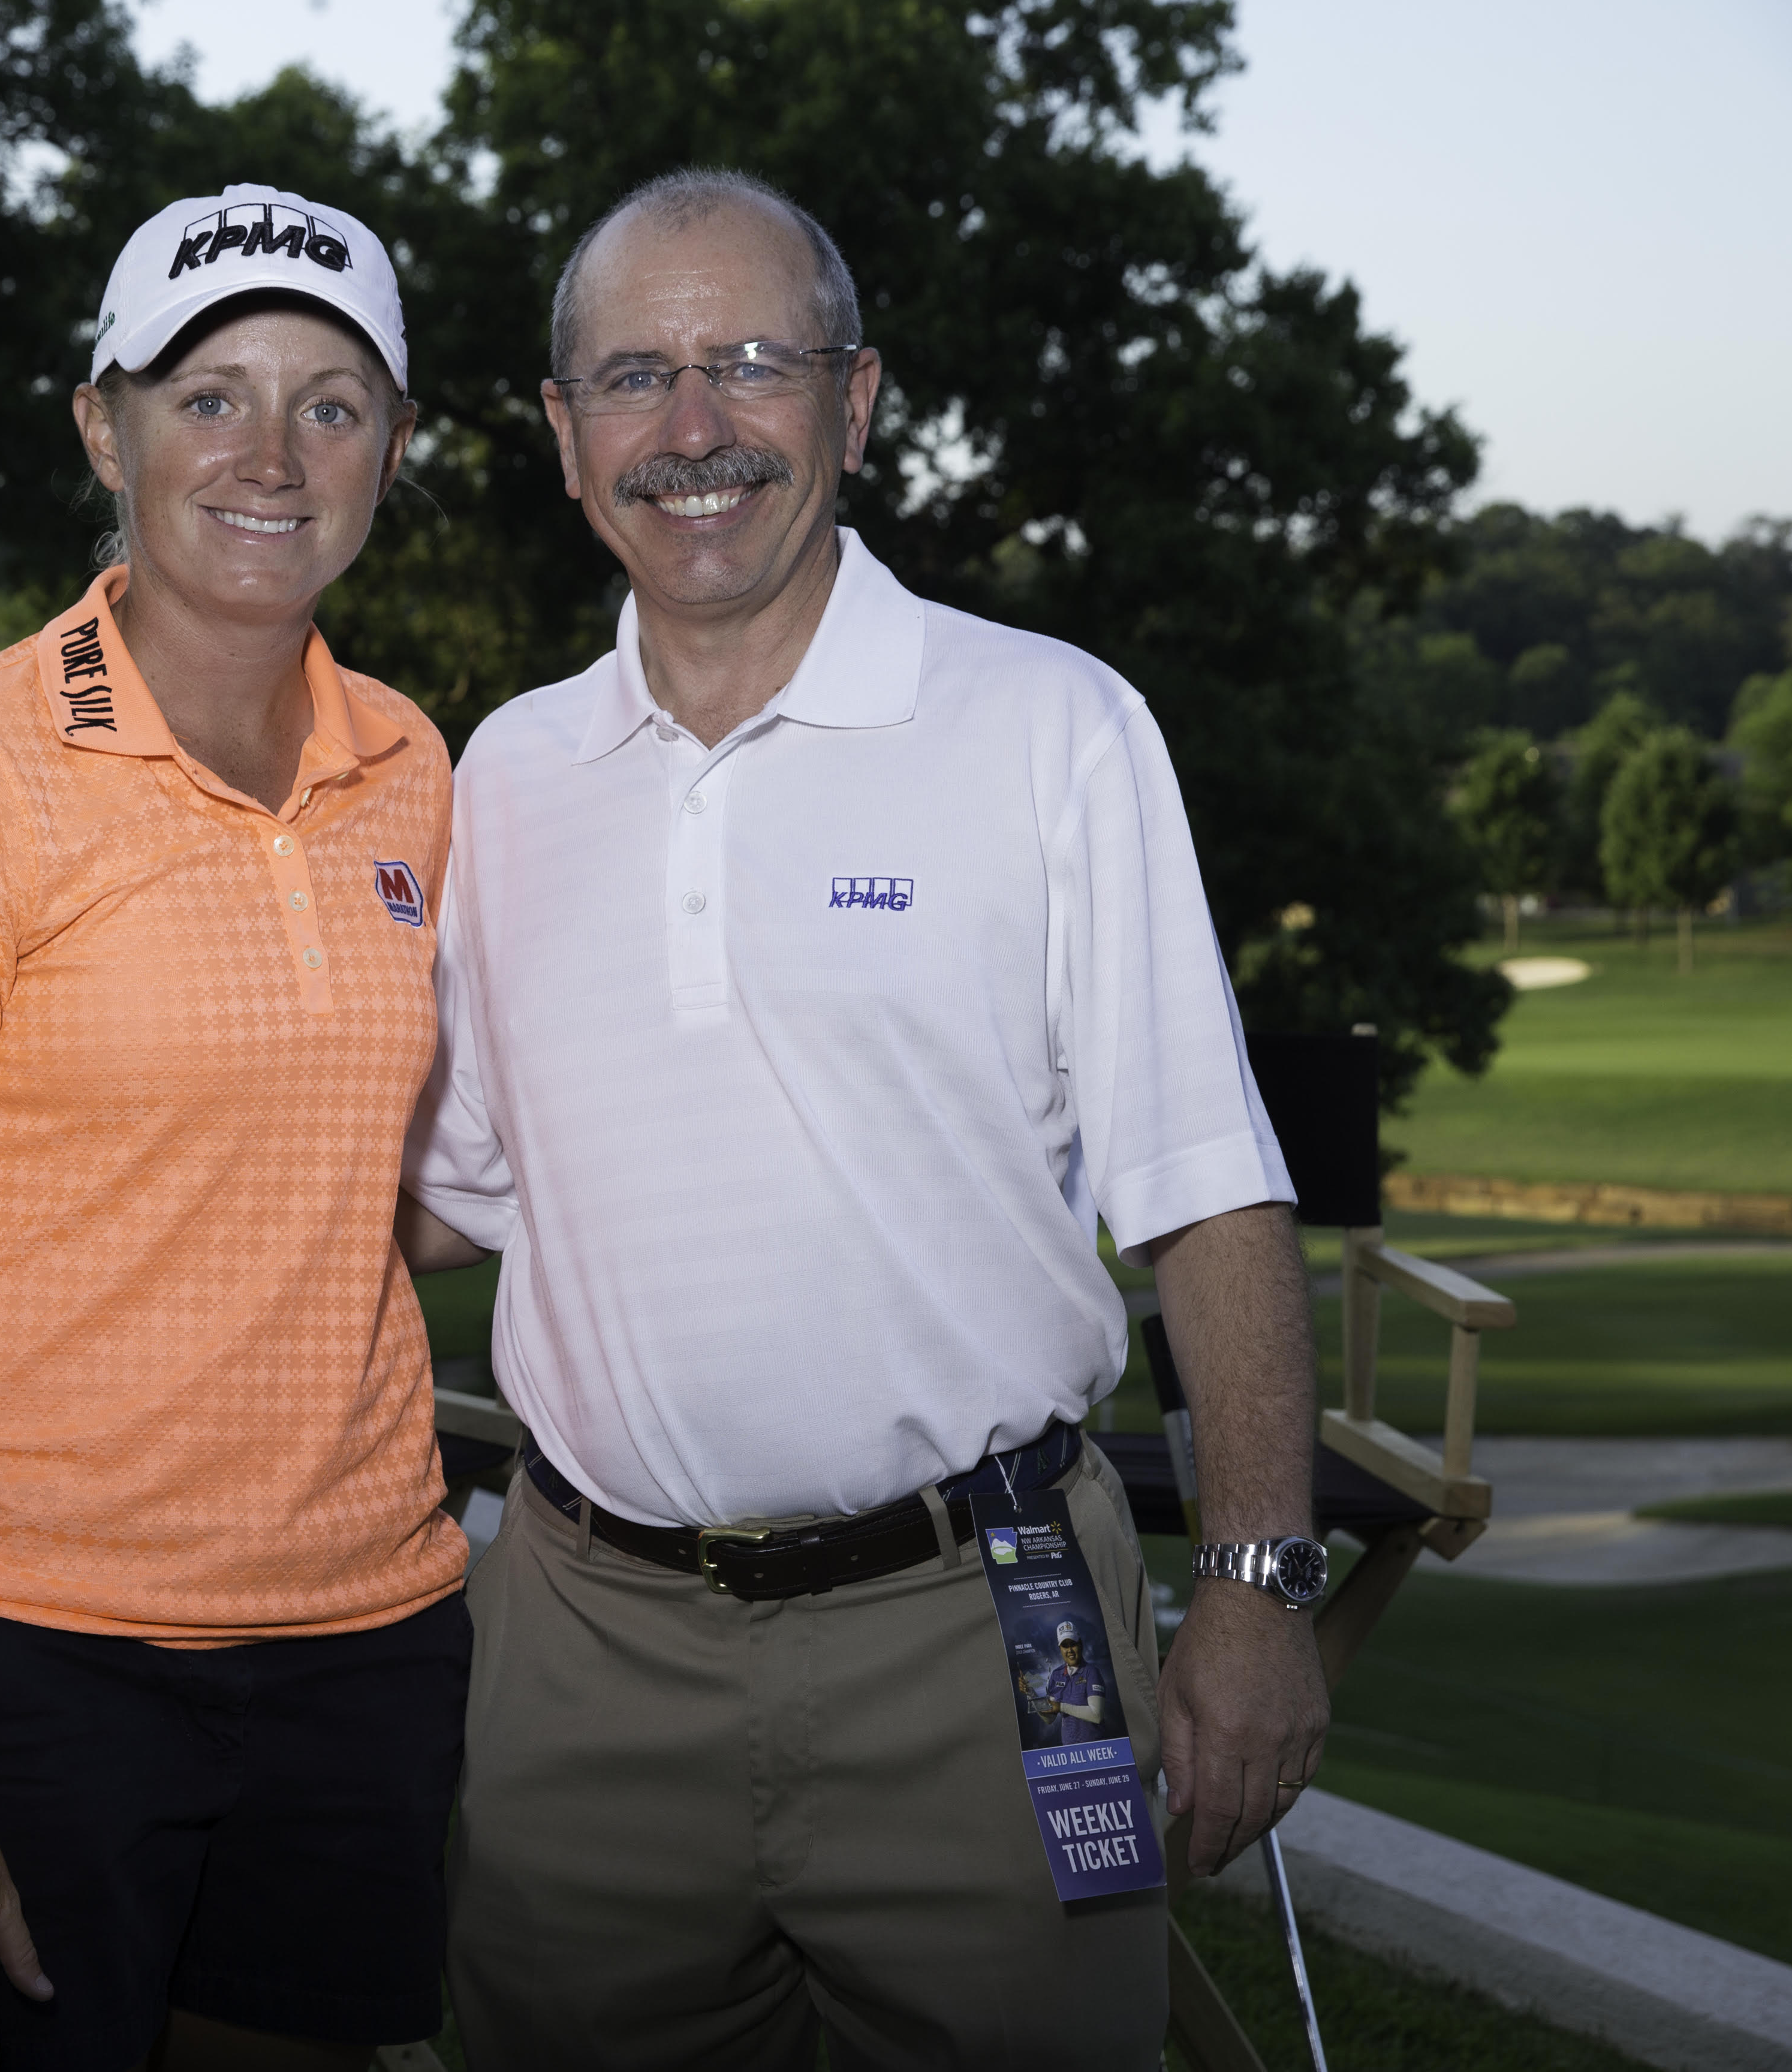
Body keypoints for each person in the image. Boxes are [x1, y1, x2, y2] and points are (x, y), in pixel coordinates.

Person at [400, 168, 1335, 2069]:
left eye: (753, 361)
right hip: (586, 1653)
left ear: (858, 398)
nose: (695, 426)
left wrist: (1255, 1587)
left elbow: (1207, 1191)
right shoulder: (504, 775)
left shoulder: (1052, 727)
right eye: (635, 376)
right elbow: (447, 1192)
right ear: (566, 436)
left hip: (984, 1640)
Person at [0, 185, 468, 2072]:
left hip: (365, 1633)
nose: (272, 455)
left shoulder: (415, 769)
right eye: (209, 394)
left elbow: (365, 1178)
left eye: (332, 404)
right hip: (43, 1650)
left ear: (394, 447)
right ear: (106, 427)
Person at [1038, 1622, 1113, 1745]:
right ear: (1060, 1649)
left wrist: (1061, 1707)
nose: (1070, 1650)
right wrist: (1031, 1695)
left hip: (1095, 1748)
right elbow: (1049, 1719)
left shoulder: (1092, 1672)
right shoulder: (1056, 1675)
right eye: (1065, 1646)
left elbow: (1097, 1715)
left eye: (1073, 1644)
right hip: (1070, 1751)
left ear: (1080, 1644)